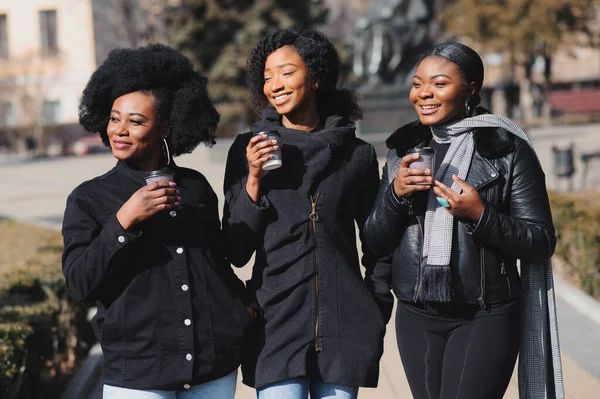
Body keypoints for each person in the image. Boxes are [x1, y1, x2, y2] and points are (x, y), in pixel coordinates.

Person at [363, 42, 559, 399]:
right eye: (417, 83)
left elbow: (541, 240)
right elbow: (375, 242)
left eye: (438, 83)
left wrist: (480, 215)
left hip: (484, 315)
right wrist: (395, 194)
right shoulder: (402, 152)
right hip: (416, 313)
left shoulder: (507, 151)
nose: (424, 93)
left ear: (469, 89)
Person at [61, 44, 252, 398]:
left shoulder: (195, 186)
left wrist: (242, 310)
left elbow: (216, 263)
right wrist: (123, 221)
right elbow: (79, 285)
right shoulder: (88, 198)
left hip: (212, 368)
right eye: (115, 118)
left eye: (135, 121)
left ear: (165, 127)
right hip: (138, 372)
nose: (120, 130)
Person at [222, 28, 392, 399]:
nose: (275, 85)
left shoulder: (356, 154)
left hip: (345, 325)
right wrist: (253, 179)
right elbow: (235, 250)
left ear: (315, 78)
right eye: (267, 77)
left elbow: (377, 239)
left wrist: (375, 305)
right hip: (274, 324)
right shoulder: (246, 150)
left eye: (286, 72)